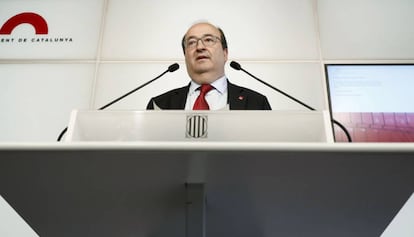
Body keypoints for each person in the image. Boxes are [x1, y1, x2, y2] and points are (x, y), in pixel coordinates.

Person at [146, 22, 271, 110]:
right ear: (185, 56)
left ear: (225, 53)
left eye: (209, 40)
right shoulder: (160, 105)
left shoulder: (256, 104)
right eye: (191, 42)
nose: (200, 47)